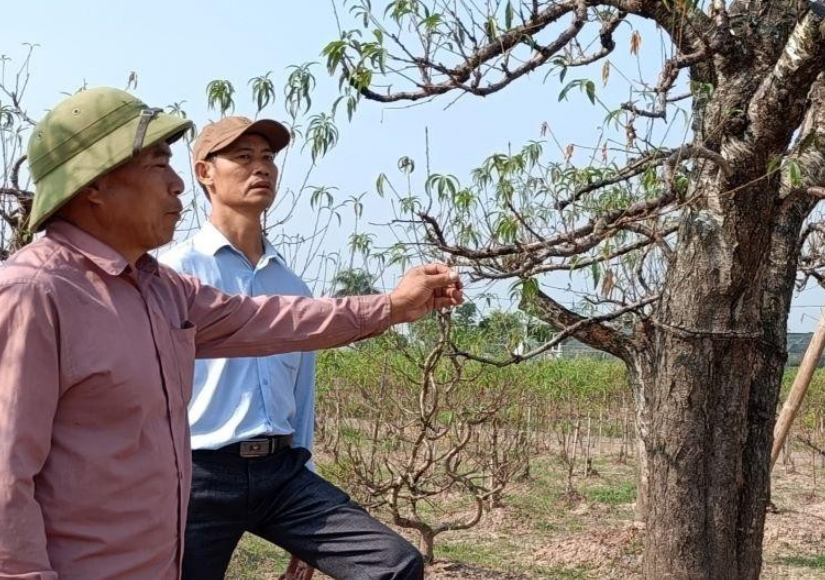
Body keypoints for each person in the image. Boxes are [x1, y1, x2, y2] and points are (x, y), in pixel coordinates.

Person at [0, 87, 463, 580]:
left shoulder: (162, 290)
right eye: (158, 165)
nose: (177, 185)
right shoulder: (36, 294)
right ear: (94, 184)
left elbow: (276, 322)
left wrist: (392, 306)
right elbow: (6, 477)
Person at [160, 116, 424, 580]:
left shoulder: (292, 285)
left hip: (280, 474)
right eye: (242, 158)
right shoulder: (175, 274)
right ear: (205, 173)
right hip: (199, 474)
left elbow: (301, 396)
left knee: (395, 565)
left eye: (267, 158)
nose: (260, 168)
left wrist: (305, 490)